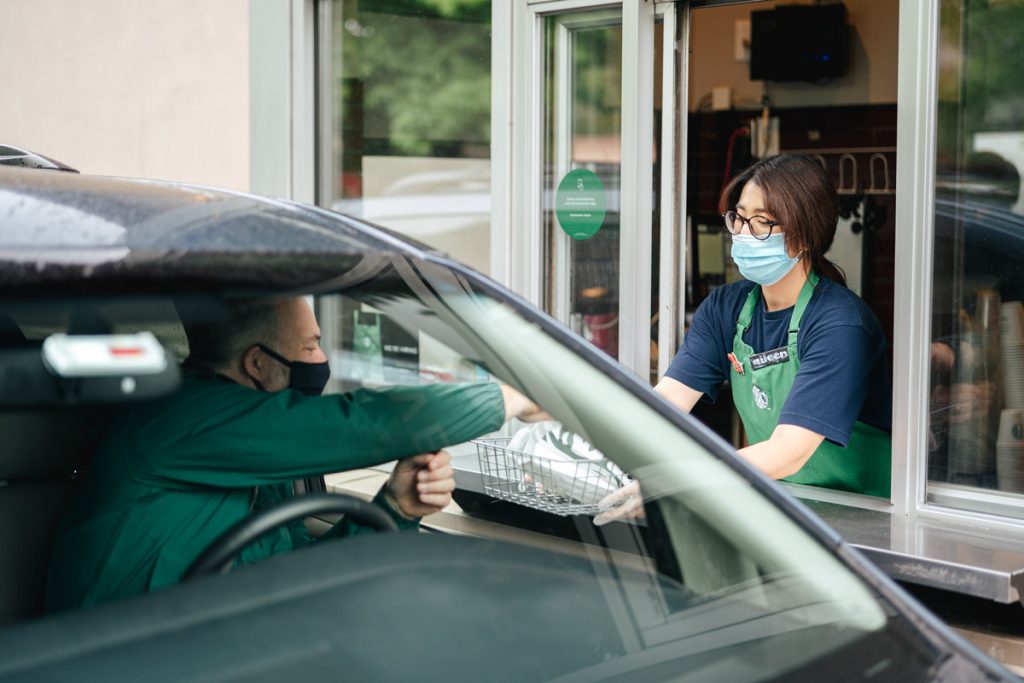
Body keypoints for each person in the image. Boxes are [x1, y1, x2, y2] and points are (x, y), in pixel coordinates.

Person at [46, 296, 544, 612]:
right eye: (311, 346)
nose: (323, 362)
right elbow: (363, 422)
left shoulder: (259, 461)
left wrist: (394, 508)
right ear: (258, 363)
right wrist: (512, 395)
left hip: (217, 647)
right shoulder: (182, 419)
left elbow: (291, 578)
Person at [596, 155, 891, 525]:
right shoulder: (726, 308)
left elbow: (789, 452)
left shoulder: (840, 325)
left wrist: (683, 480)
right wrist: (585, 451)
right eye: (739, 218)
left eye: (763, 222)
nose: (744, 233)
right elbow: (664, 405)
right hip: (781, 501)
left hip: (862, 514)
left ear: (804, 233)